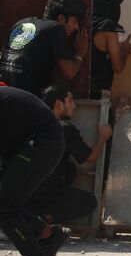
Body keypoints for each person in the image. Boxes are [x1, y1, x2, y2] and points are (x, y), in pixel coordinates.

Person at [0, 85, 69, 256]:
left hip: (41, 141)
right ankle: (47, 234)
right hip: (38, 141)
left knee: (4, 208)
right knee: (4, 203)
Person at [24, 85, 111, 225]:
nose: (74, 106)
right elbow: (91, 158)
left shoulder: (33, 124)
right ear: (59, 104)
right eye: (70, 101)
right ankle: (43, 221)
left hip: (24, 192)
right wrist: (103, 137)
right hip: (45, 192)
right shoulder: (63, 128)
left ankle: (31, 215)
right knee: (89, 202)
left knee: (70, 169)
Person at [0, 0, 89, 96]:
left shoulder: (22, 23)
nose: (76, 27)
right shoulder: (56, 29)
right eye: (74, 21)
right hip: (24, 98)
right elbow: (69, 73)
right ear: (61, 18)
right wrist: (80, 53)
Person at [90, 0, 131, 99]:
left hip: (74, 94)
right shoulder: (108, 30)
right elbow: (117, 68)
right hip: (98, 94)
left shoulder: (80, 23)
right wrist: (123, 50)